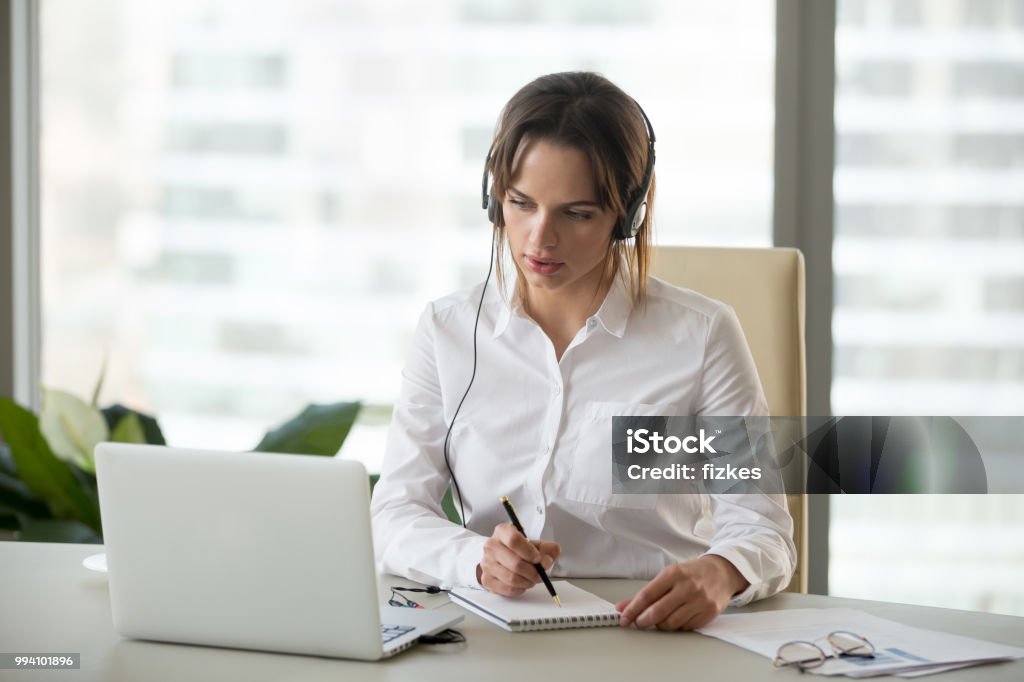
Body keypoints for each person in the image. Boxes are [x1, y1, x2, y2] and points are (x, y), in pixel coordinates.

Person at [370, 71, 795, 631]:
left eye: (576, 214)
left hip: (648, 636)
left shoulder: (701, 338)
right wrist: (474, 559)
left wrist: (719, 571)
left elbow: (761, 526)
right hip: (494, 637)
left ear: (626, 217)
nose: (538, 240)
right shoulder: (448, 331)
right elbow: (395, 513)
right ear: (493, 200)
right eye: (520, 204)